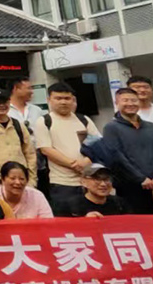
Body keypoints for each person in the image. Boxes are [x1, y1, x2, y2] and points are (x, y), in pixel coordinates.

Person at [33, 82, 102, 214]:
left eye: (67, 98)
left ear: (73, 99)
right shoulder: (45, 121)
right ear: (49, 100)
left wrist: (85, 162)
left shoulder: (84, 120)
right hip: (62, 183)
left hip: (89, 181)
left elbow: (98, 145)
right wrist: (73, 164)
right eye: (58, 98)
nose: (63, 102)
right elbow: (46, 149)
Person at [104, 87, 153, 215]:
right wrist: (140, 179)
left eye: (133, 100)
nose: (130, 104)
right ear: (117, 103)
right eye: (125, 100)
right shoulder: (111, 128)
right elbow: (117, 157)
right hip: (130, 188)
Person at [55, 163, 129, 218]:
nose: (103, 184)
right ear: (83, 182)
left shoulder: (120, 204)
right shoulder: (70, 206)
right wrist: (84, 221)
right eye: (97, 179)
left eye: (106, 179)